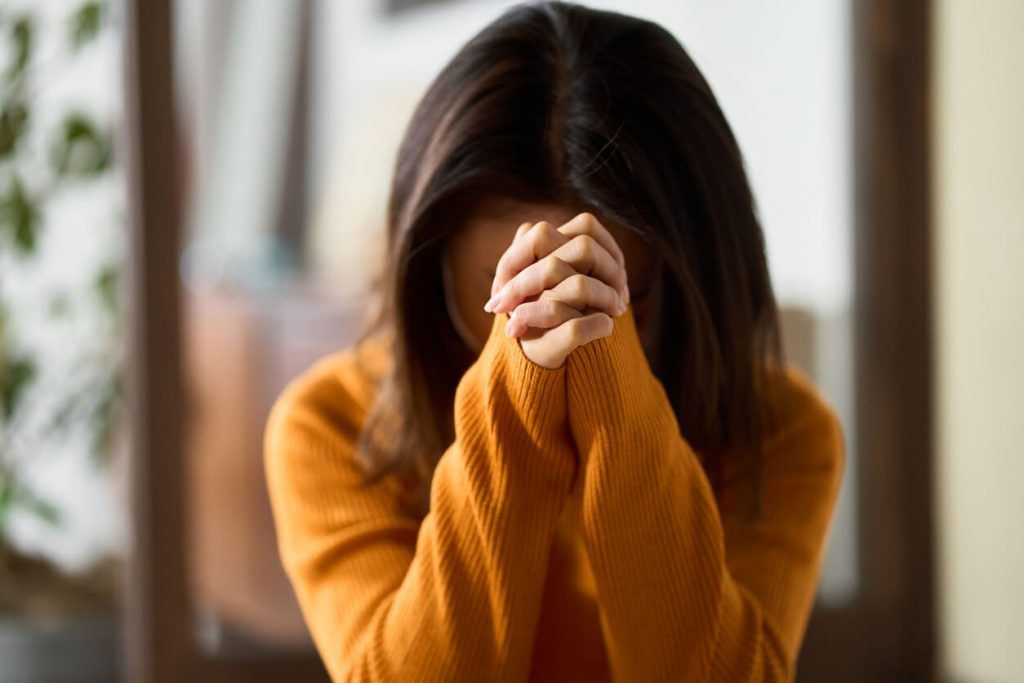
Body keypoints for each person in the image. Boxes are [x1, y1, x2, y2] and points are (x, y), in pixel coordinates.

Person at [263, 2, 845, 681]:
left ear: (700, 276)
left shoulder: (780, 432)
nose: (560, 331)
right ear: (431, 269)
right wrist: (514, 395)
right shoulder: (331, 427)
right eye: (508, 292)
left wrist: (617, 398)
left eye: (616, 297)